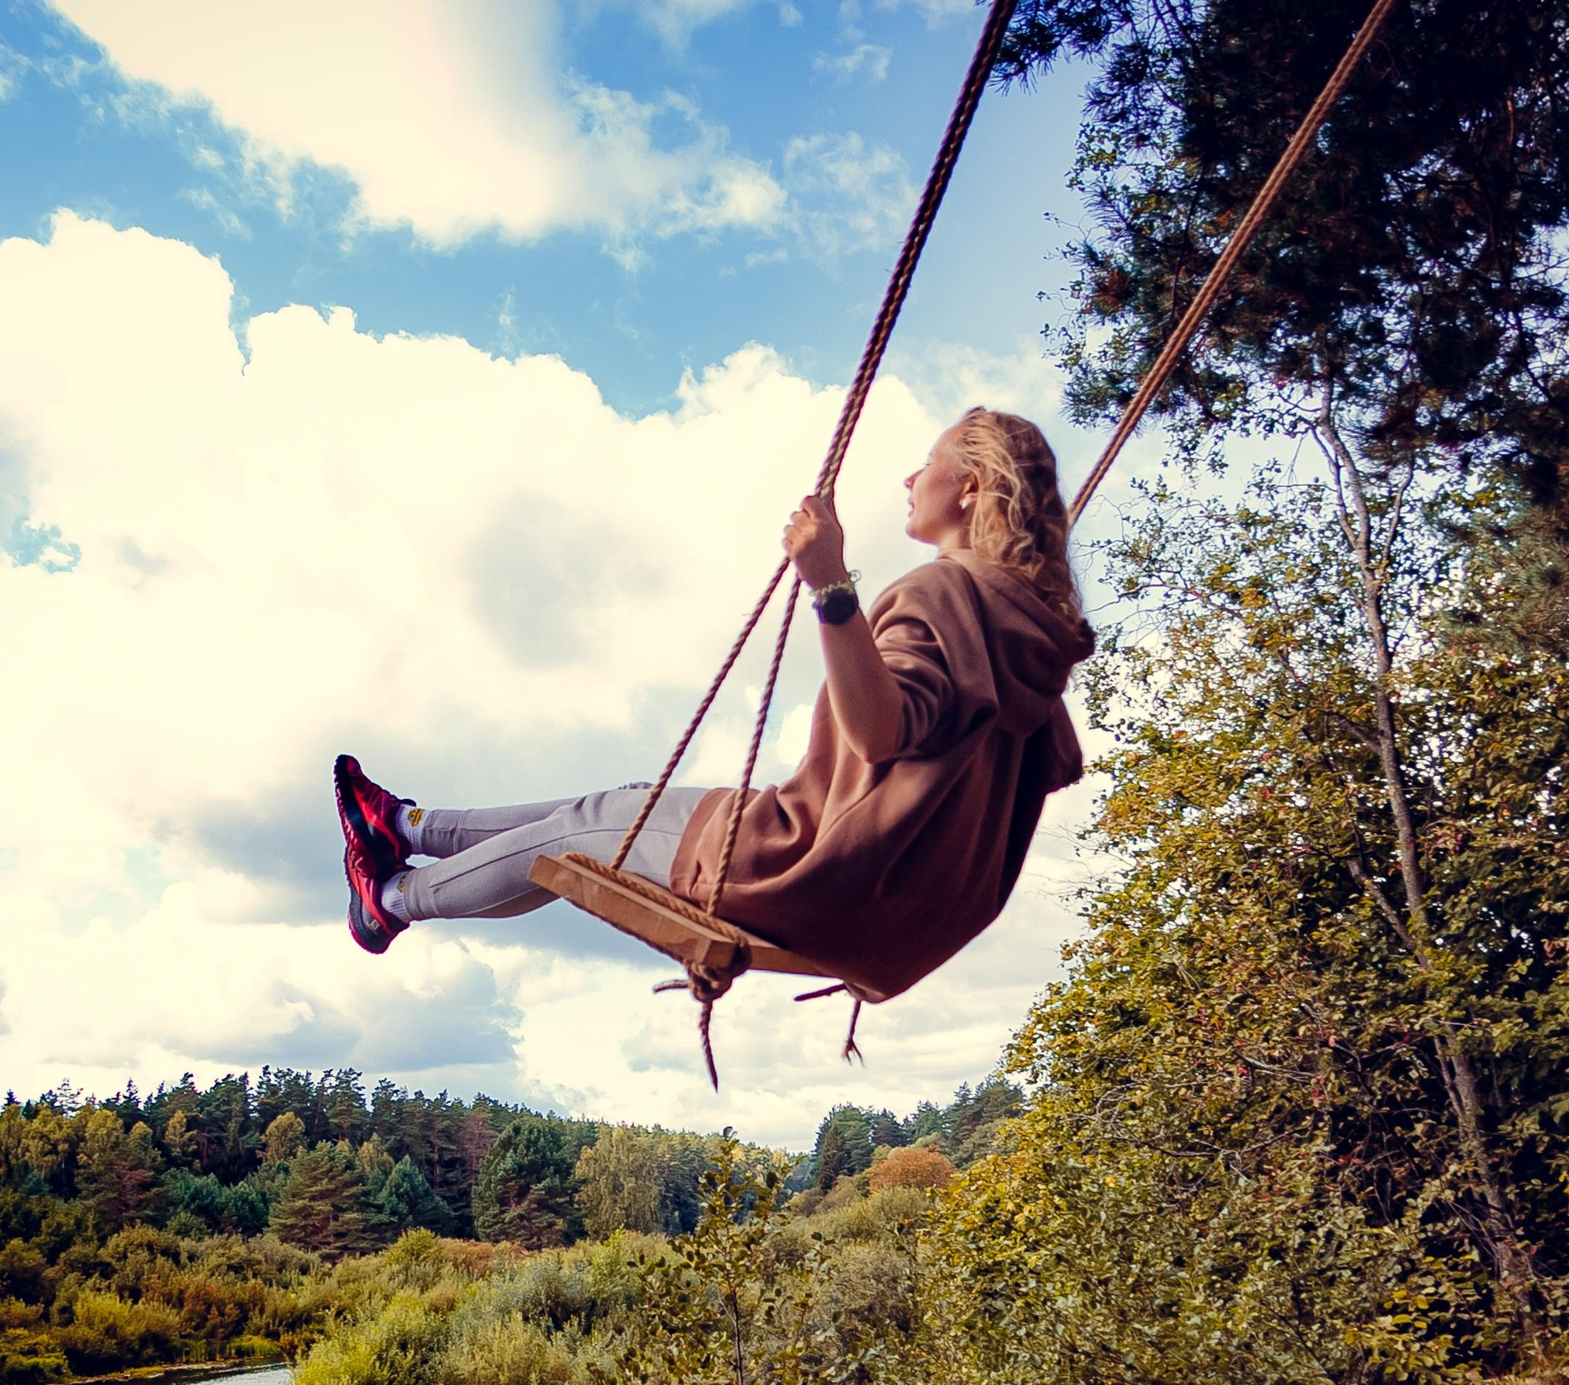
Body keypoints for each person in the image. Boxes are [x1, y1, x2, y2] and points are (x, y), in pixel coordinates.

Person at [334, 406, 1098, 1005]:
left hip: (811, 869)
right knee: (620, 806)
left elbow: (880, 731)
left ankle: (392, 900)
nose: (908, 477)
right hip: (896, 915)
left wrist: (830, 583)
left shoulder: (947, 593)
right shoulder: (1030, 635)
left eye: (927, 463)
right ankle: (405, 826)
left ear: (968, 486)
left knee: (583, 833)